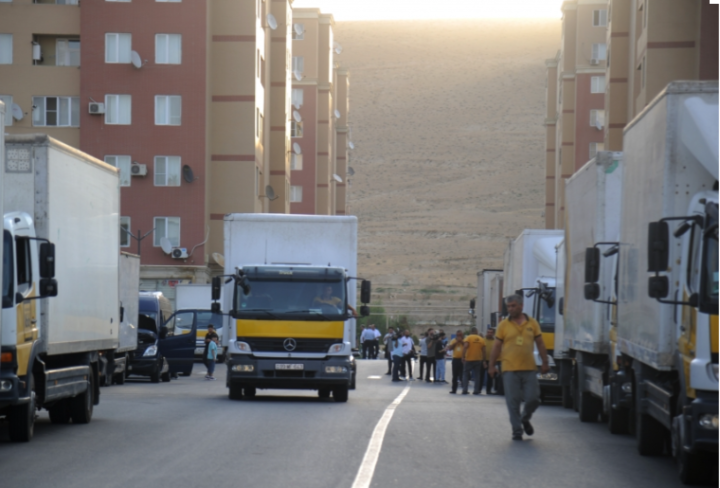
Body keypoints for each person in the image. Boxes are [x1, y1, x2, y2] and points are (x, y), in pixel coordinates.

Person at [489, 294, 549, 441]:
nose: (510, 309)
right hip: (509, 368)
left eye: (513, 306)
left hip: (529, 368)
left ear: (521, 306)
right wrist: (491, 365)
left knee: (533, 398)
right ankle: (517, 430)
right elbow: (497, 346)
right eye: (508, 306)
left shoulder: (532, 323)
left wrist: (545, 362)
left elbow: (540, 343)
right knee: (513, 401)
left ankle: (525, 418)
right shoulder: (503, 325)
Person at [462, 327, 486, 395]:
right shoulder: (481, 339)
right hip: (478, 359)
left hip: (469, 359)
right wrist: (484, 360)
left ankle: (465, 390)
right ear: (477, 331)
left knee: (465, 374)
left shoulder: (468, 338)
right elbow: (484, 351)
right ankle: (476, 390)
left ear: (471, 332)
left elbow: (465, 347)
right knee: (477, 375)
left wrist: (463, 356)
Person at [484, 327, 497, 394]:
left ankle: (488, 390)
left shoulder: (495, 341)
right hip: (483, 360)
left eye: (491, 332)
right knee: (481, 375)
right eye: (488, 332)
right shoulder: (483, 340)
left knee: (490, 376)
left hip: (492, 360)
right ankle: (477, 390)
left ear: (493, 334)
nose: (489, 334)